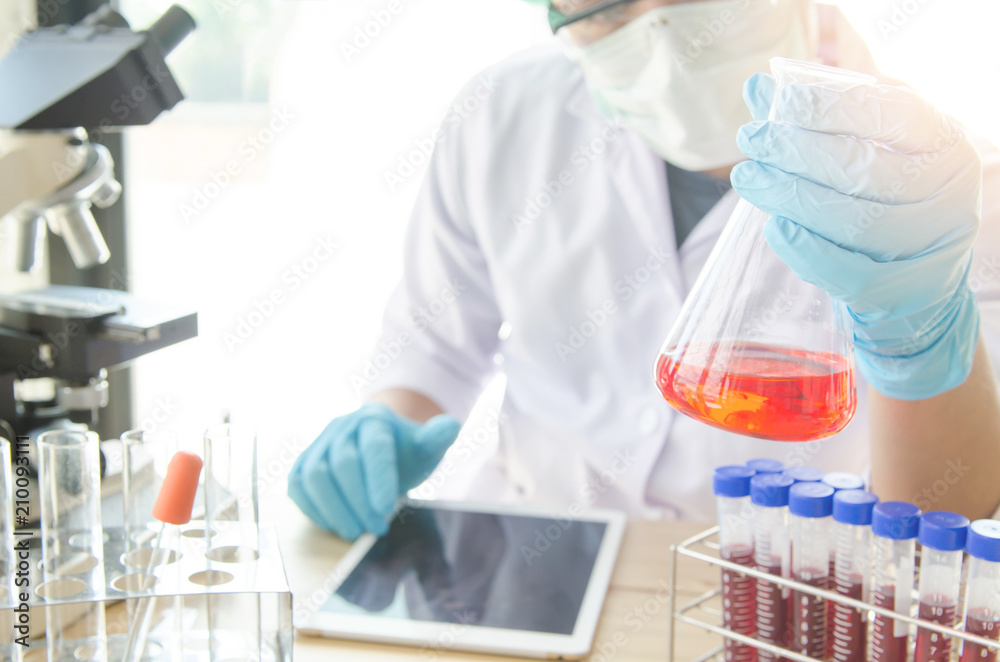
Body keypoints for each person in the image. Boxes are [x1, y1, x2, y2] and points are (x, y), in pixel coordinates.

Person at [289, 0, 1000, 541]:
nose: (659, 27)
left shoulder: (941, 186)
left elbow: (947, 514)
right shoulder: (501, 113)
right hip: (530, 563)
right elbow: (432, 349)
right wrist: (383, 424)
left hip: (782, 589)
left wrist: (922, 341)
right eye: (604, 2)